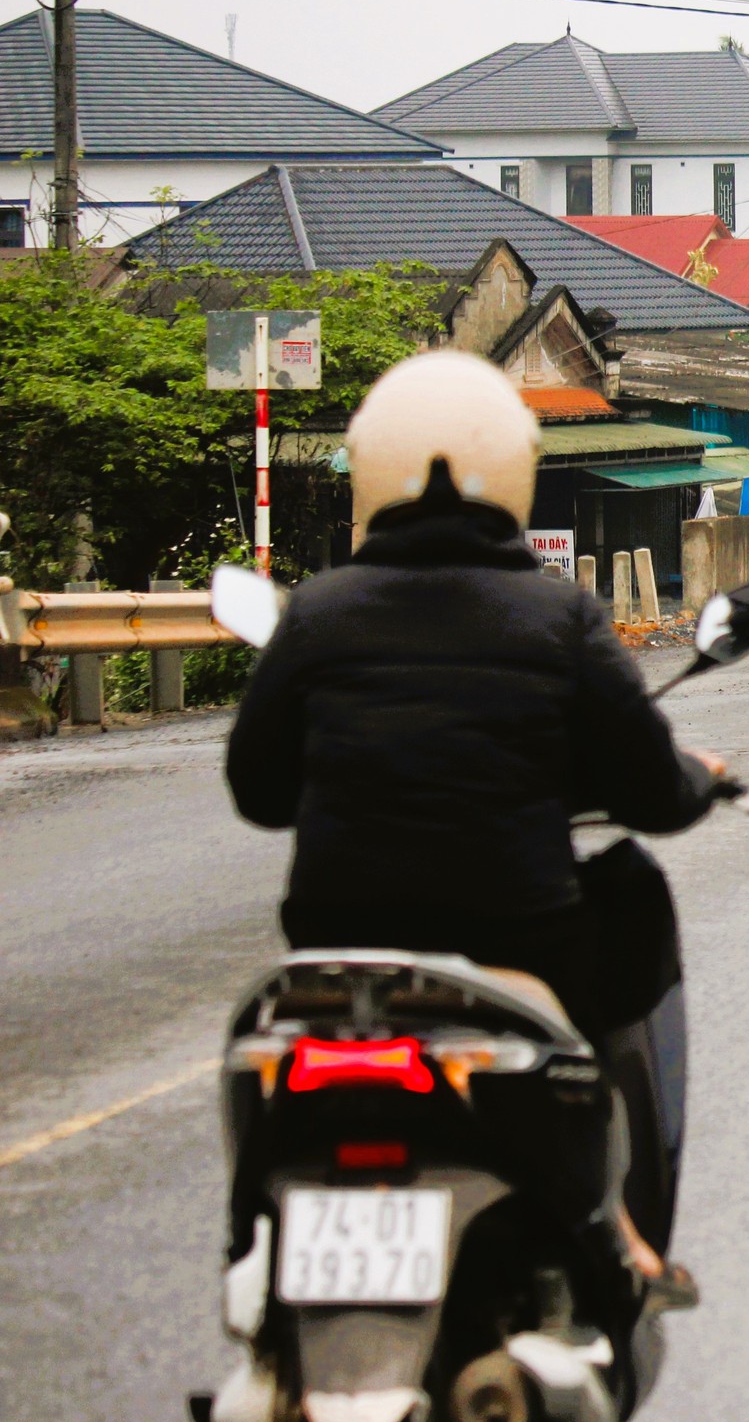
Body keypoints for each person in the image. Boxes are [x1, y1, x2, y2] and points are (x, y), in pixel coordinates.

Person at [224, 350, 717, 1296]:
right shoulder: (558, 614)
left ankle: (253, 1244)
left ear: (371, 469)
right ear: (513, 468)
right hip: (516, 938)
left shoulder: (318, 612)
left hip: (336, 943)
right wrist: (699, 779)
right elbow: (652, 791)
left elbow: (258, 790)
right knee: (629, 902)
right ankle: (612, 1225)